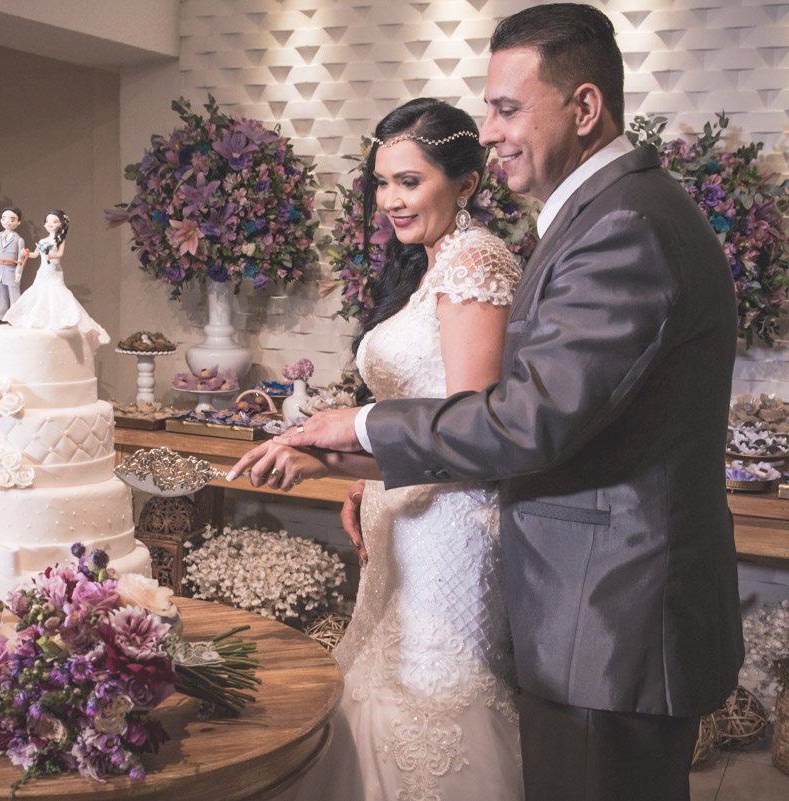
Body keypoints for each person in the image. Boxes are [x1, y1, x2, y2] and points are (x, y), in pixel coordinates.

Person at [234, 5, 743, 801]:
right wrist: (361, 465)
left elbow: (527, 417)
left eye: (508, 109)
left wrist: (358, 423)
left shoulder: (625, 227)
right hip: (595, 610)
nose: (493, 131)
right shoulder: (602, 216)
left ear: (584, 107)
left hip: (609, 618)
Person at [273, 97, 525, 801]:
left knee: (432, 699)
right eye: (381, 182)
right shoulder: (426, 266)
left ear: (467, 182)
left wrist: (336, 451)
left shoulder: (475, 259)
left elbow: (471, 429)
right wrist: (350, 473)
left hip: (450, 529)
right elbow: (422, 412)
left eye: (408, 181)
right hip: (400, 511)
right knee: (379, 691)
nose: (389, 200)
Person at [2, 209, 109, 348]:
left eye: (54, 221)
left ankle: (62, 318)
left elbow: (59, 254)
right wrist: (26, 253)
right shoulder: (42, 240)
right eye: (48, 221)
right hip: (42, 271)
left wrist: (51, 256)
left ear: (61, 224)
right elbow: (35, 254)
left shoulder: (59, 239)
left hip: (54, 271)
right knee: (39, 292)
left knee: (57, 292)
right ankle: (38, 319)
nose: (50, 224)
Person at [0, 207, 27, 321]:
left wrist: (18, 272)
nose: (8, 222)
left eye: (12, 219)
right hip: (0, 270)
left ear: (18, 222)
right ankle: (0, 316)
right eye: (4, 218)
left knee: (14, 294)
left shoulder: (19, 240)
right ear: (1, 220)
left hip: (11, 270)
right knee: (1, 294)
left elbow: (20, 259)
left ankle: (16, 317)